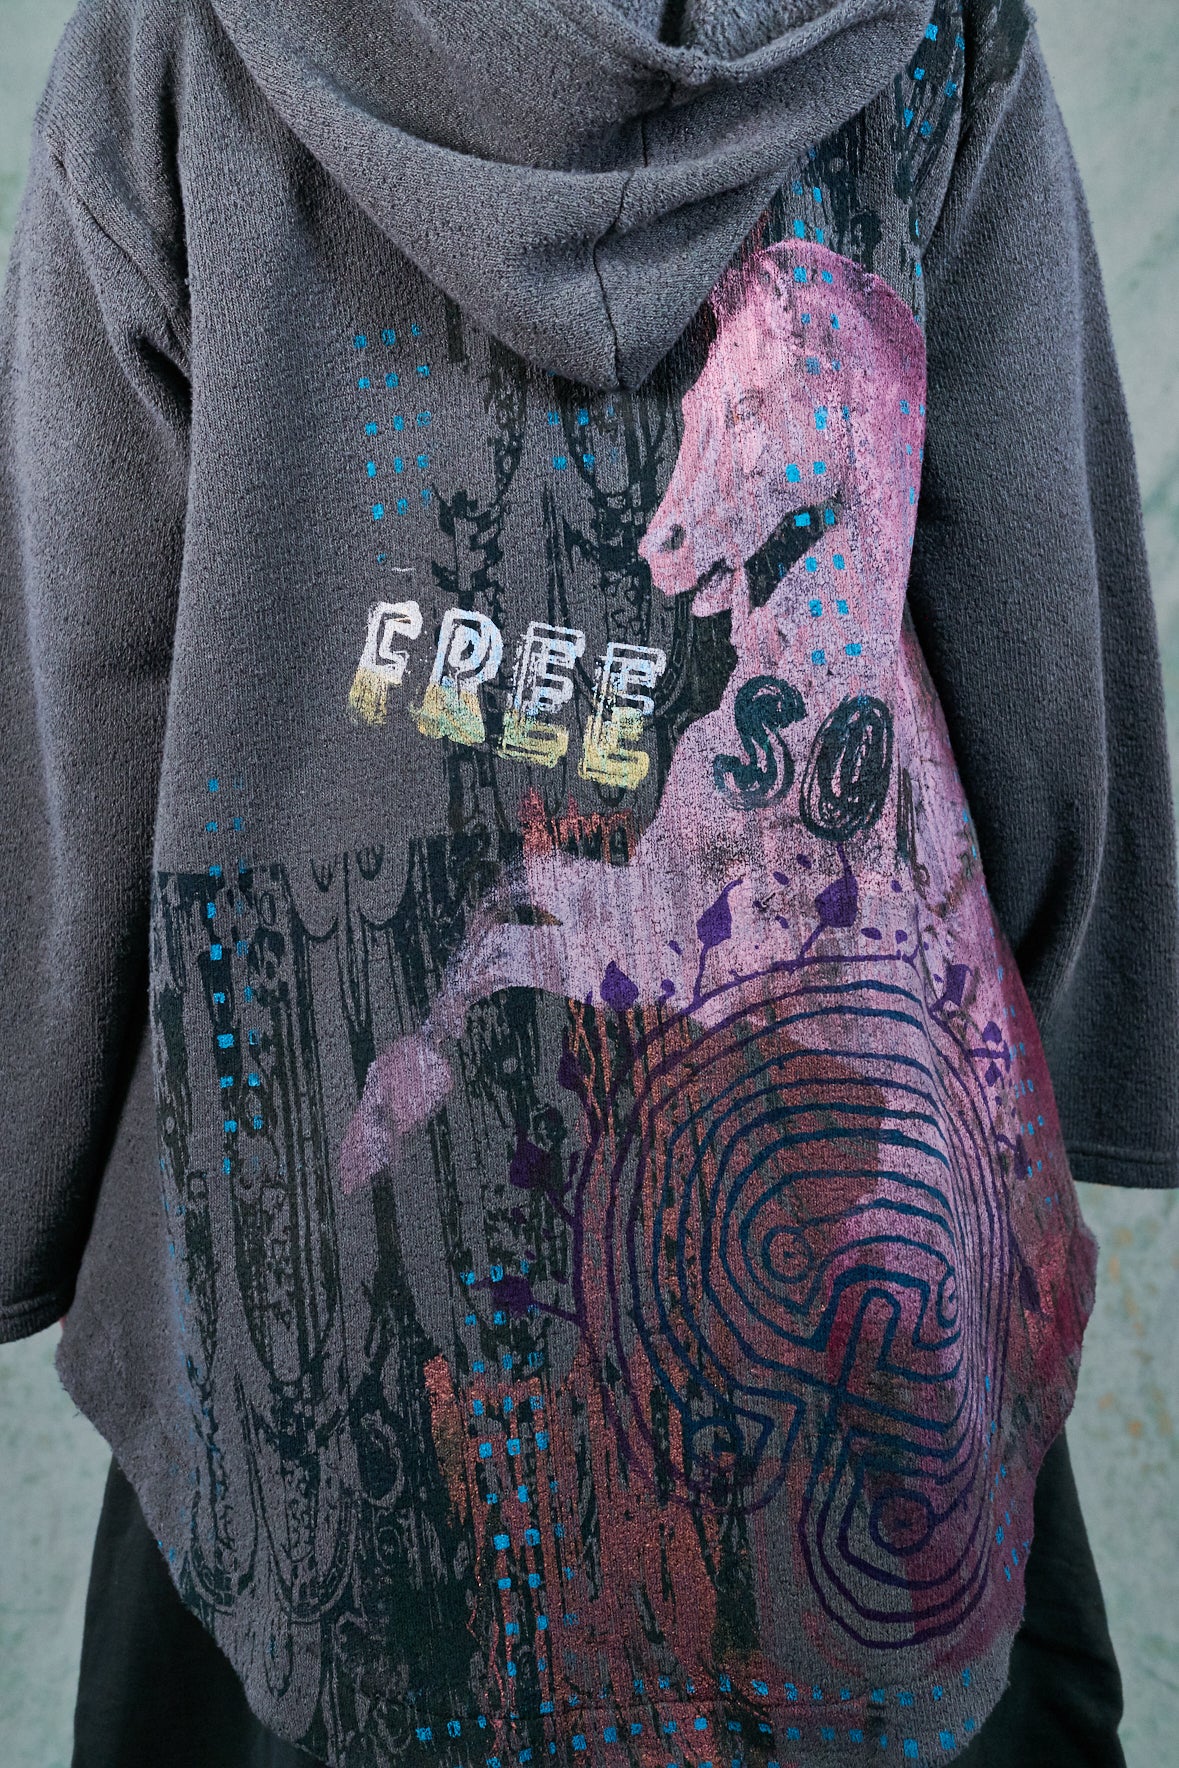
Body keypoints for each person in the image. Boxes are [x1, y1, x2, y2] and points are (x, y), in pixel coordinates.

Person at [1, 0, 1175, 1763]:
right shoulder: (929, 36)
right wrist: (1093, 1024)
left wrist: (27, 1156)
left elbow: (82, 667)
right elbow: (1034, 603)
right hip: (838, 1313)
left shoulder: (174, 46)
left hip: (305, 1308)